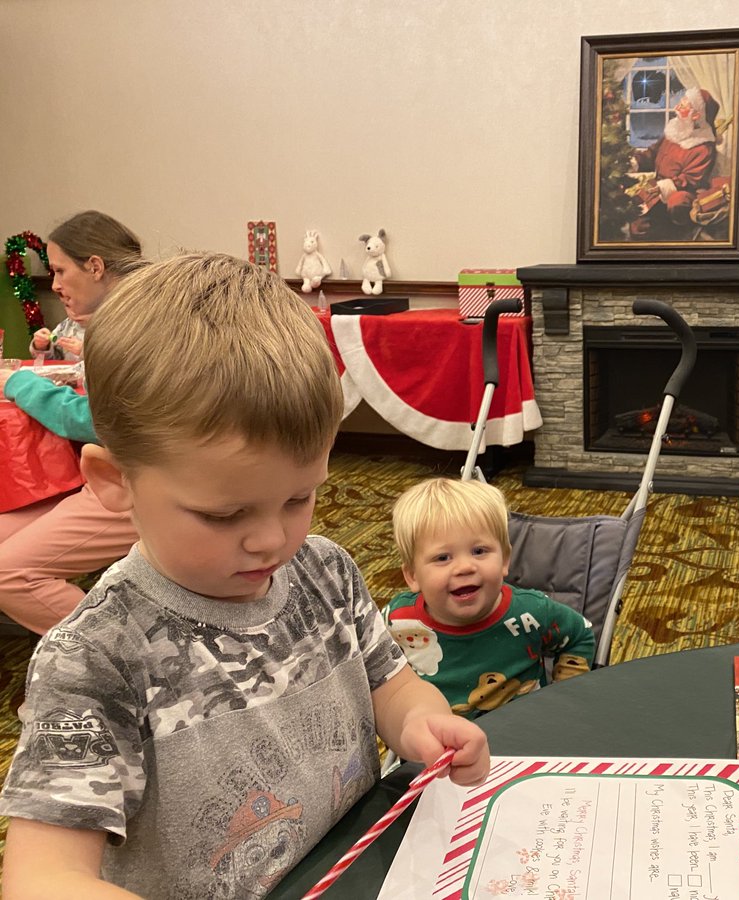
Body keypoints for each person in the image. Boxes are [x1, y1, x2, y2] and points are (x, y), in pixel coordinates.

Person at [0, 254, 490, 898]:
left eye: (299, 498)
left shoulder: (327, 572)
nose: (272, 539)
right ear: (115, 482)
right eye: (224, 513)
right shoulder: (94, 656)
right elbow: (41, 876)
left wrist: (421, 721)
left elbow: (390, 688)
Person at [0, 210, 144, 633]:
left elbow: (98, 421)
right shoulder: (121, 319)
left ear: (95, 266)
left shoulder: (130, 325)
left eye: (60, 271)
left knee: (10, 573)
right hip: (114, 472)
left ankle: (121, 666)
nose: (56, 285)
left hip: (141, 481)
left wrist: (19, 384)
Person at [385, 477, 596, 718]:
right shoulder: (397, 620)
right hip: (437, 747)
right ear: (412, 576)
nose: (465, 567)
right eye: (443, 558)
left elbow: (580, 634)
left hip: (523, 741)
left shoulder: (531, 612)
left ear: (505, 560)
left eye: (479, 551)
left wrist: (564, 697)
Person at [628, 86, 722, 239]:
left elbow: (691, 180)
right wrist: (635, 163)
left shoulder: (704, 147)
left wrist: (662, 187)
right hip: (656, 187)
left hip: (680, 195)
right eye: (681, 102)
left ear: (696, 115)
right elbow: (652, 154)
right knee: (636, 220)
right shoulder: (674, 132)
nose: (677, 107)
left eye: (684, 106)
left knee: (662, 216)